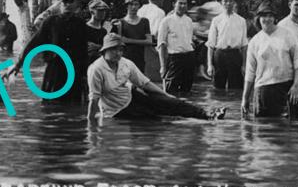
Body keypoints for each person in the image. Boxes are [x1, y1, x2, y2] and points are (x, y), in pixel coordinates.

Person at [87, 34, 226, 123]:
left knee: (171, 103)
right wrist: (90, 124)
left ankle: (208, 114)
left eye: (120, 50)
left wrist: (165, 95)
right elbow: (94, 99)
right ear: (104, 51)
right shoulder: (96, 69)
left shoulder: (126, 63)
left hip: (131, 94)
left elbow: (145, 83)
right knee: (157, 119)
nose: (118, 53)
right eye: (114, 50)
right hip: (117, 111)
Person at [7, 0, 90, 104]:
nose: (67, 5)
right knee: (50, 106)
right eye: (64, 2)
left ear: (76, 4)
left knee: (73, 107)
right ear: (60, 4)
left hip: (74, 72)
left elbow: (84, 52)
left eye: (71, 2)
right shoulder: (50, 22)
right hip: (54, 71)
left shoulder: (81, 24)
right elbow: (33, 44)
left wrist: (85, 75)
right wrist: (18, 64)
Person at [242, 2, 298, 118]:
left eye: (270, 16)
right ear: (258, 18)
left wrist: (296, 85)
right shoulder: (255, 41)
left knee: (292, 130)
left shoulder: (287, 35)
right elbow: (250, 73)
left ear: (275, 18)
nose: (267, 19)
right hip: (263, 89)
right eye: (264, 16)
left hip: (287, 88)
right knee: (263, 131)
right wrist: (245, 99)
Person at [157, 0, 199, 95]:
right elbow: (161, 44)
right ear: (174, 4)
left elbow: (189, 40)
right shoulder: (166, 21)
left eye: (185, 4)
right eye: (180, 3)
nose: (183, 6)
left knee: (187, 89)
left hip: (189, 57)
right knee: (171, 90)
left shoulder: (189, 20)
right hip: (174, 59)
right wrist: (163, 66)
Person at [206, 0, 248, 90]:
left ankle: (234, 105)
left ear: (234, 3)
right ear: (221, 3)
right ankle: (219, 105)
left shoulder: (241, 20)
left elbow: (244, 45)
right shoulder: (216, 20)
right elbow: (211, 45)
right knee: (218, 86)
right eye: (225, 1)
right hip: (220, 55)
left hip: (235, 55)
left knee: (236, 86)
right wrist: (210, 65)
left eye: (230, 1)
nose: (228, 4)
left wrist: (244, 65)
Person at [115, 0, 153, 73]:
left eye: (136, 4)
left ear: (139, 6)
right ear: (126, 6)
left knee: (140, 83)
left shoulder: (144, 21)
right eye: (131, 4)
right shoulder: (120, 22)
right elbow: (119, 42)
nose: (133, 7)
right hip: (125, 59)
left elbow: (149, 41)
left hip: (140, 59)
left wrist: (128, 40)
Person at [137, 0, 167, 83]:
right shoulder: (159, 12)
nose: (163, 0)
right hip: (151, 46)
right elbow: (157, 33)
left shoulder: (141, 9)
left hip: (139, 45)